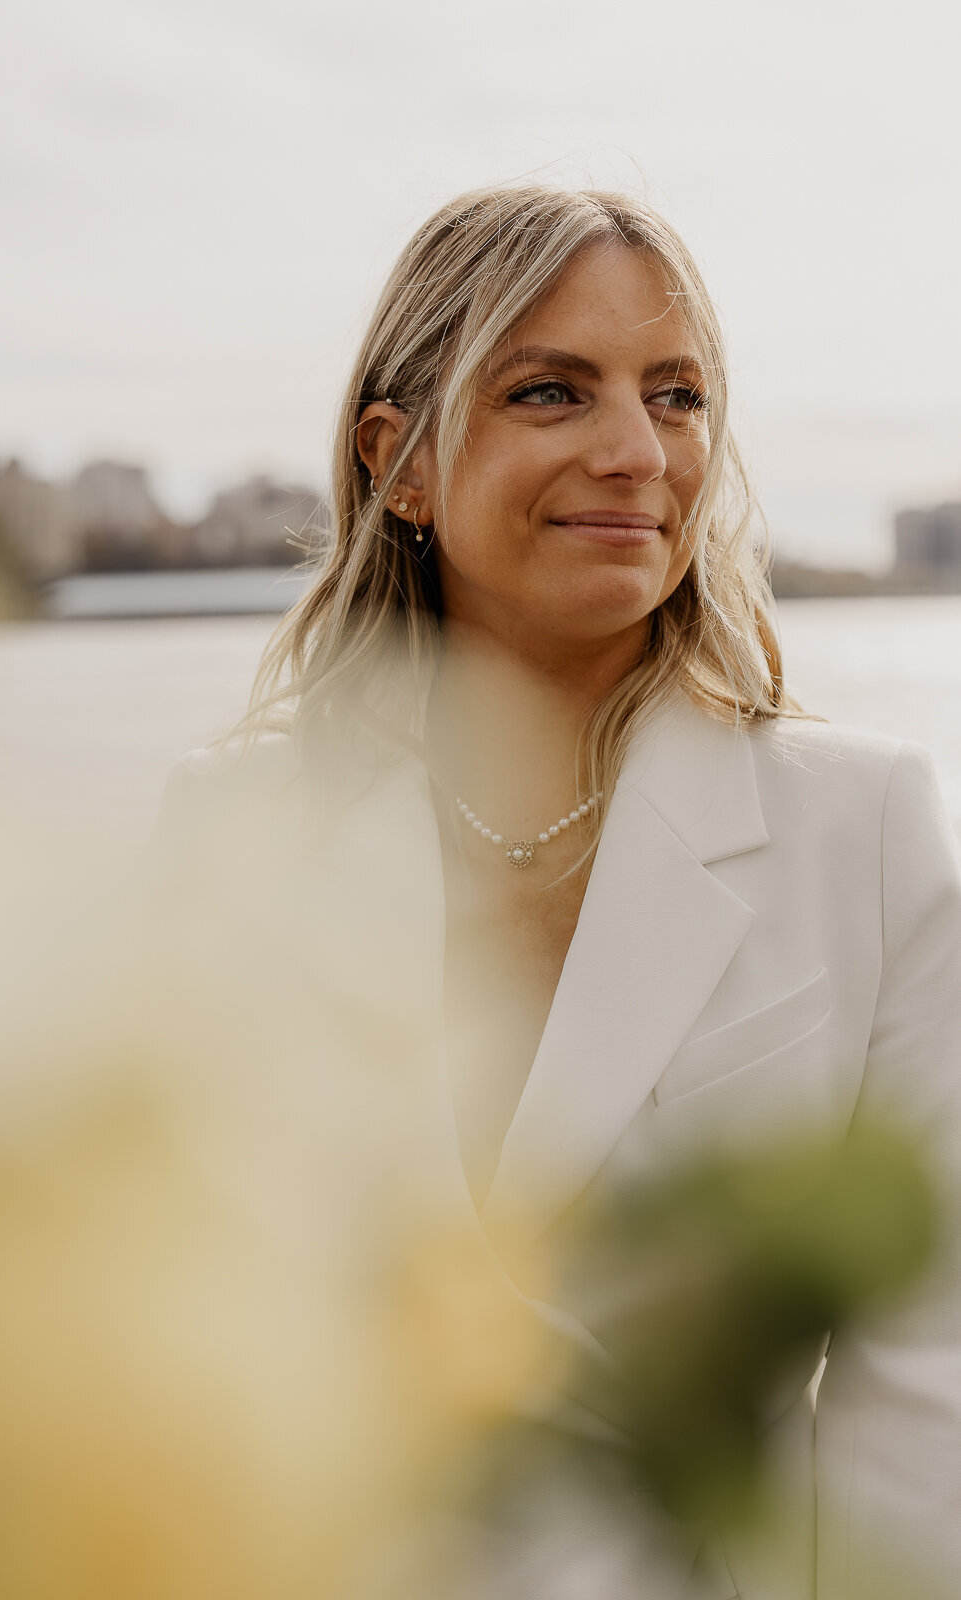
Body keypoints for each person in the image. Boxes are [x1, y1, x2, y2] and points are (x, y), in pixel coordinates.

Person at [164, 186, 961, 1599]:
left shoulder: (871, 827)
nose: (638, 452)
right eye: (551, 391)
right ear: (397, 460)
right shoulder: (237, 834)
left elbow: (927, 1384)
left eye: (677, 395)